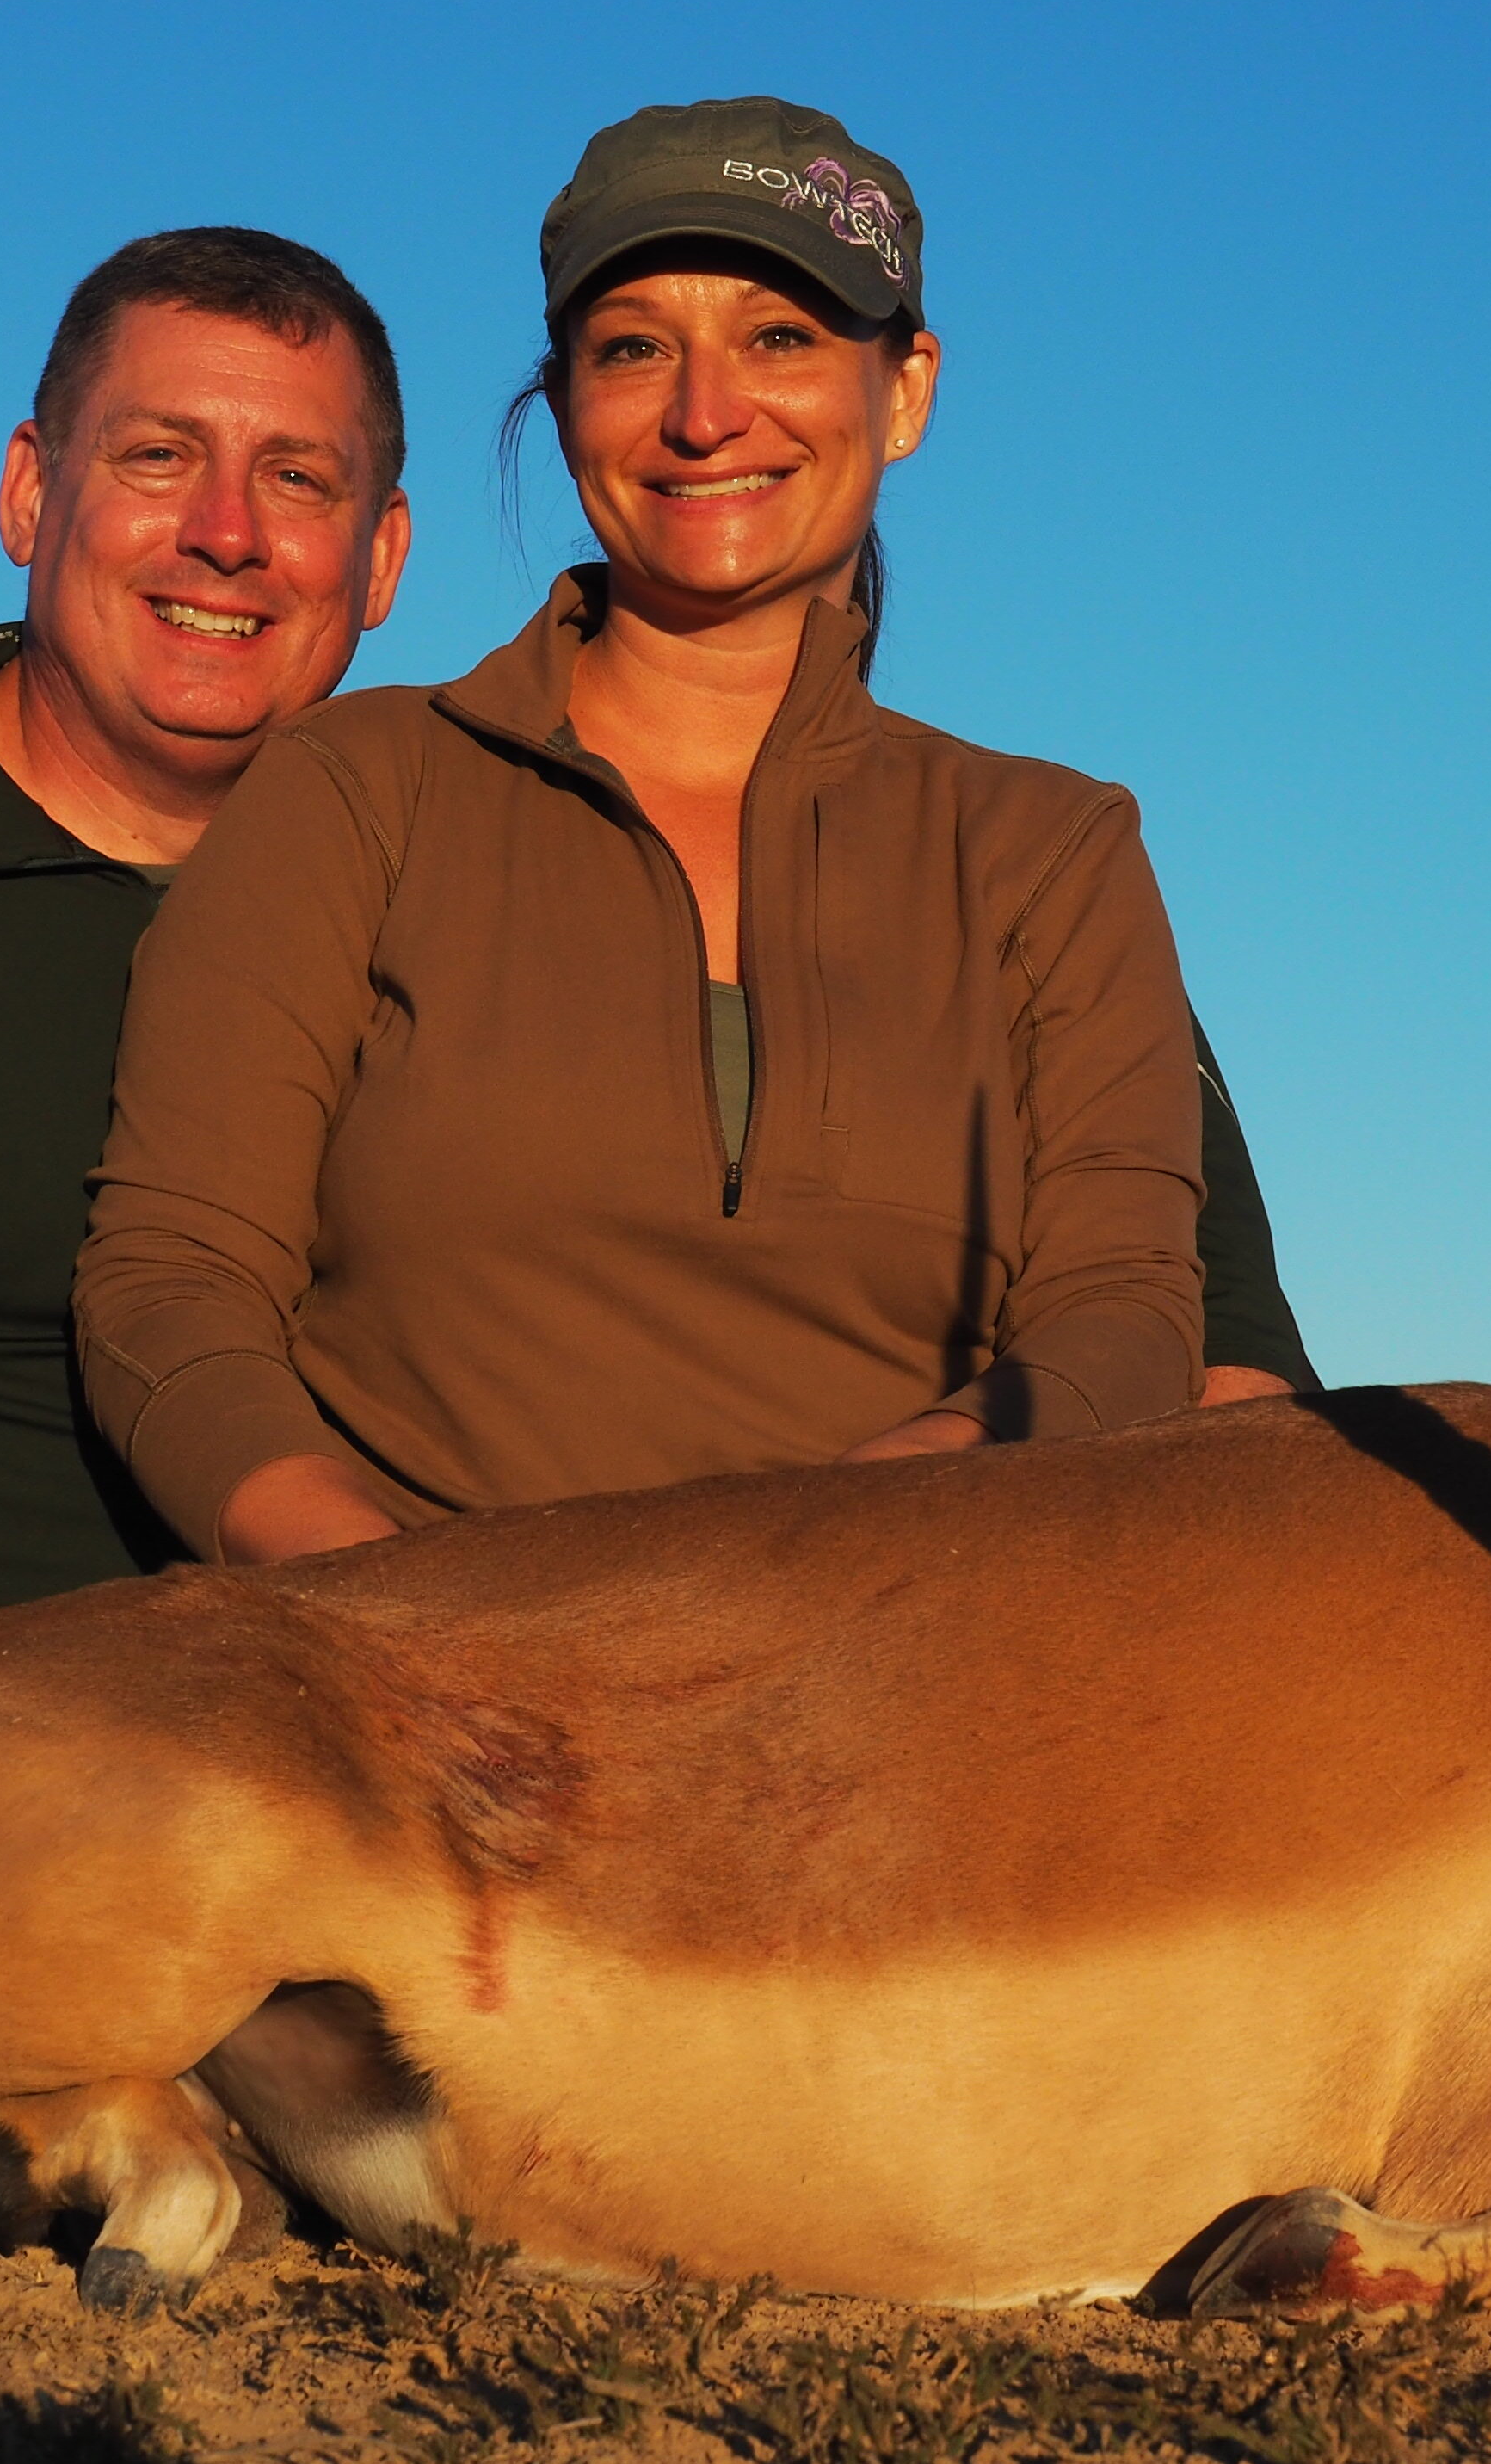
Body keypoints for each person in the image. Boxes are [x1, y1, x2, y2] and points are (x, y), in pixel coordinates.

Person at [0, 215, 1311, 2132]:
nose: (224, 536)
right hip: (17, 1876)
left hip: (582, 1835)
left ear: (385, 555)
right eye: (158, 458)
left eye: (303, 482)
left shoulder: (928, 866)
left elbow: (1207, 1370)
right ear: (26, 490)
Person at [77, 100, 1267, 1559]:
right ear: (567, 401)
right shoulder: (356, 786)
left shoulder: (1051, 848)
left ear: (905, 393)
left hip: (915, 1655)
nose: (705, 415)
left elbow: (1124, 1313)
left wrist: (844, 1543)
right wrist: (389, 1612)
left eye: (782, 340)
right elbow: (172, 1281)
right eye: (634, 347)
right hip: (396, 1686)